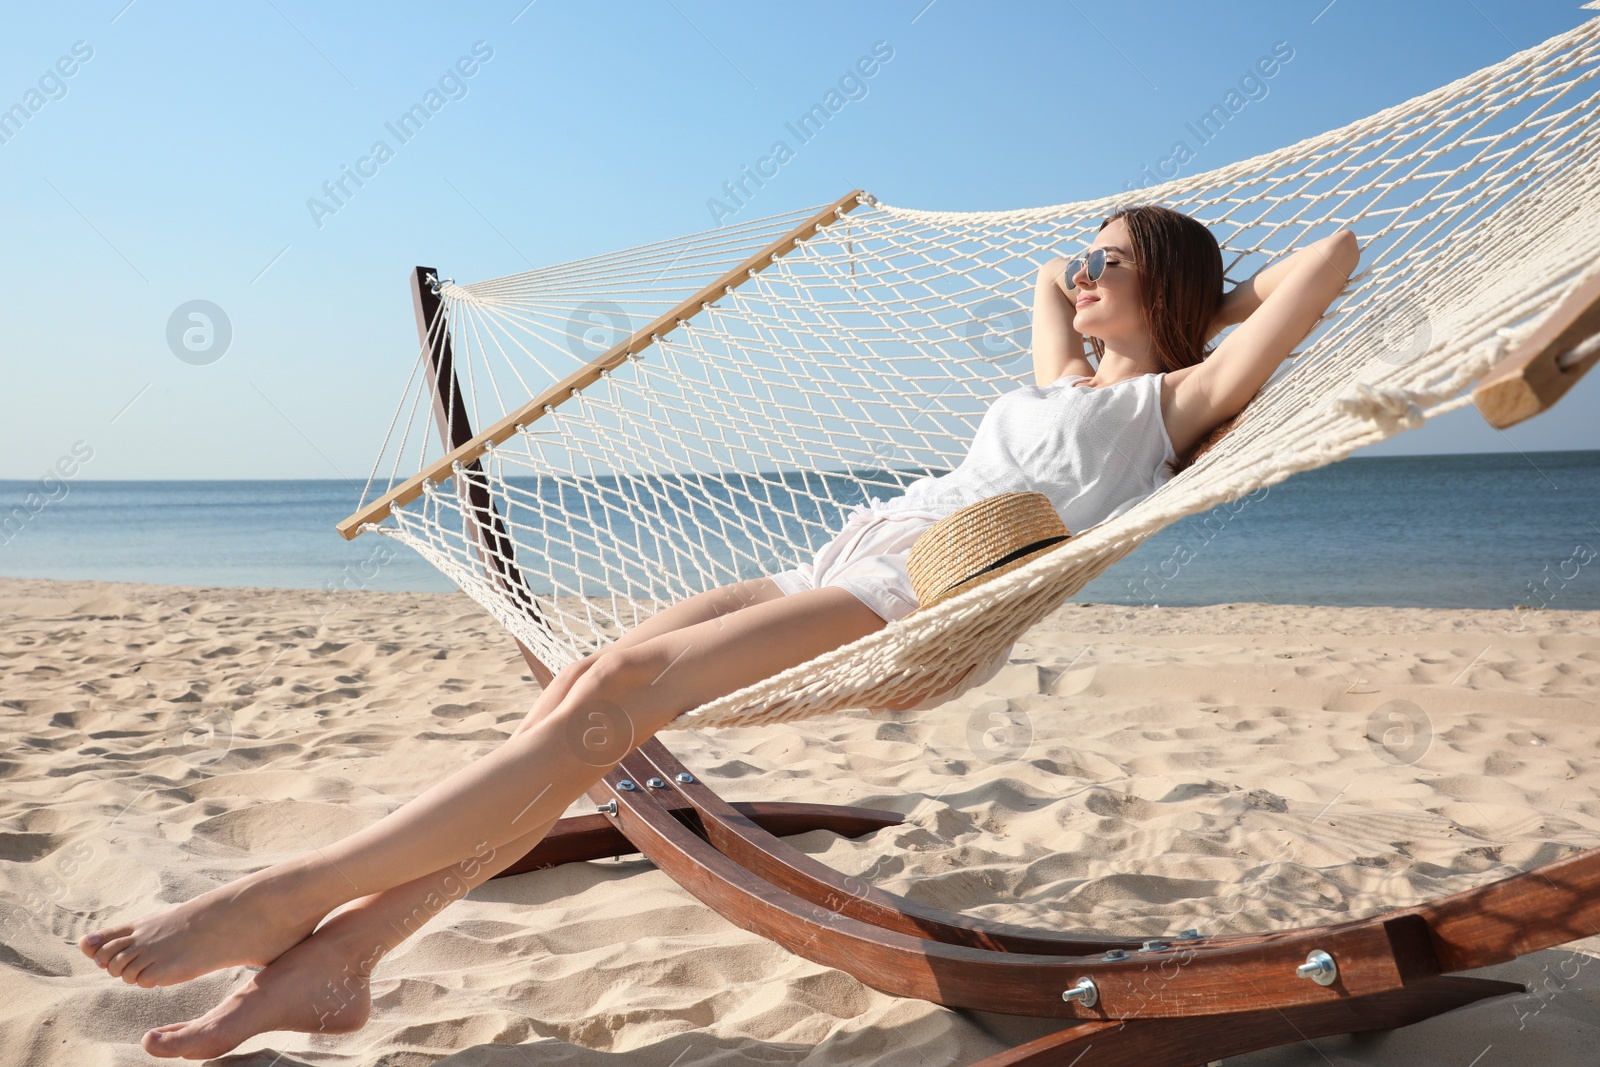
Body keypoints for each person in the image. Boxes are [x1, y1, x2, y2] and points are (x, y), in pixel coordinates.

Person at [76, 204, 1359, 1059]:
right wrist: (1115, 275)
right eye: (1086, 255)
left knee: (607, 696)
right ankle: (342, 958)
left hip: (918, 602)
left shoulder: (1176, 402)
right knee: (582, 696)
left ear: (1173, 294)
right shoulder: (1061, 382)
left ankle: (278, 901)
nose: (1079, 271)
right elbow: (1042, 282)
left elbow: (1333, 257)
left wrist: (1209, 301)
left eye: (1109, 261)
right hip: (839, 558)